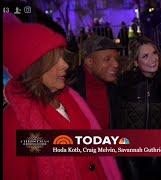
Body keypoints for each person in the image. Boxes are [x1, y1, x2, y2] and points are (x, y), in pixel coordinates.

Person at [3, 13, 122, 180]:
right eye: (54, 60)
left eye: (62, 57)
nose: (65, 64)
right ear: (32, 67)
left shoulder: (71, 98)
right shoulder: (13, 122)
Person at [116, 36, 161, 180]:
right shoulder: (125, 82)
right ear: (136, 62)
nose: (153, 59)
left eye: (154, 53)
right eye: (145, 56)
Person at [71, 35, 121, 129]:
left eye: (116, 59)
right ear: (89, 62)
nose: (116, 64)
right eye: (107, 59)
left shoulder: (117, 90)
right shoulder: (70, 90)